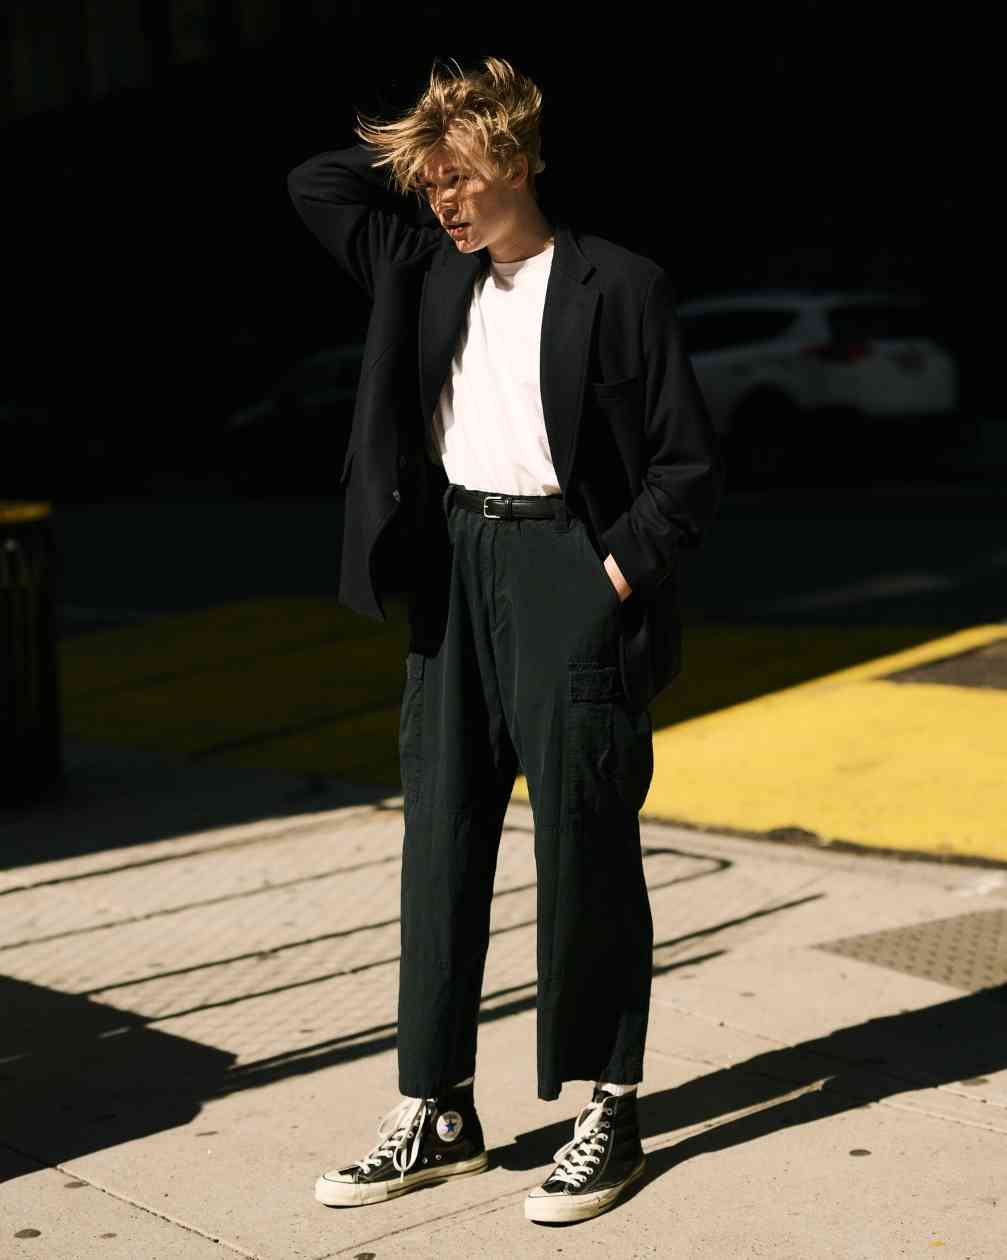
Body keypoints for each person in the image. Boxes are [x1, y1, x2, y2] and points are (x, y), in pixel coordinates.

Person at [287, 55, 723, 1225]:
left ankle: (608, 1108)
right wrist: (425, 131)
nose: (442, 201)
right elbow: (314, 185)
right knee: (438, 842)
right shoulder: (423, 266)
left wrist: (606, 576)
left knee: (585, 842)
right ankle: (437, 1110)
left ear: (520, 163)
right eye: (429, 183)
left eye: (461, 178)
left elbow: (686, 468)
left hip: (563, 567)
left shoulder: (618, 285)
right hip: (451, 567)